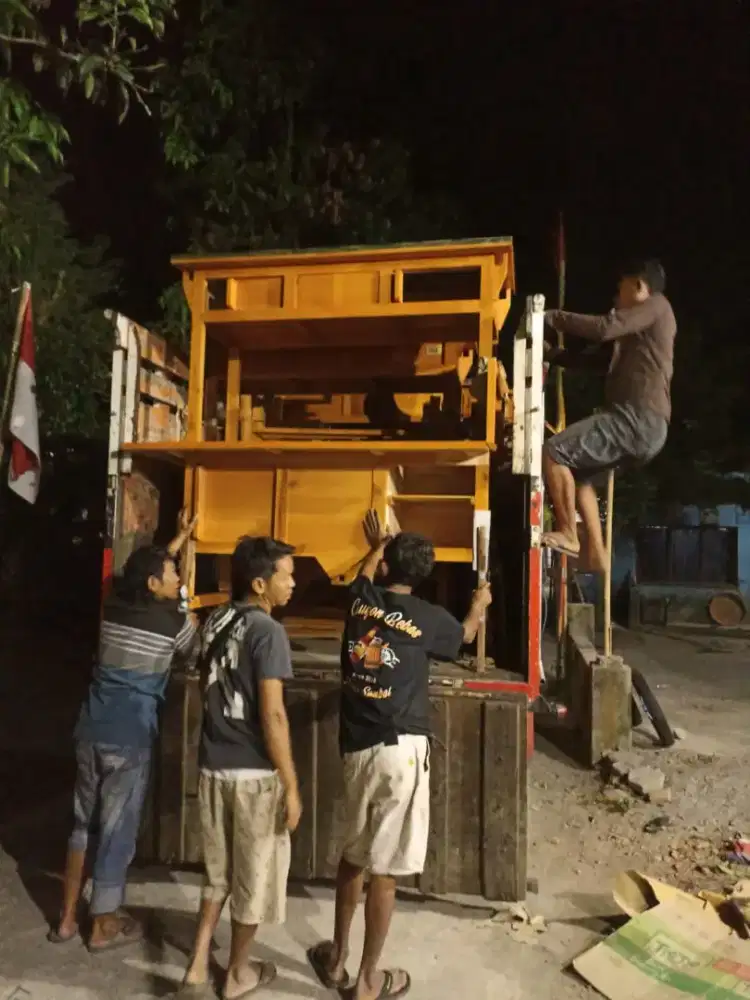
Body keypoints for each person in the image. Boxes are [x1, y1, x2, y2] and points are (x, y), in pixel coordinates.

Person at [308, 511, 491, 1000]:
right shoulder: (431, 619)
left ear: (387, 567)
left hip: (358, 749)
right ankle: (368, 982)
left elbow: (364, 577)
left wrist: (376, 545)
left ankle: (338, 960)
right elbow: (467, 636)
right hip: (401, 751)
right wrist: (479, 604)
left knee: (353, 859)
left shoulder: (360, 604)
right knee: (383, 870)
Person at [49, 513, 200, 950]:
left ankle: (64, 921)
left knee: (82, 826)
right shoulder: (174, 623)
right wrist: (186, 602)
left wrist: (178, 541)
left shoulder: (114, 603)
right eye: (172, 574)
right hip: (129, 737)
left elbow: (150, 574)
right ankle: (102, 926)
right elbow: (194, 652)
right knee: (117, 831)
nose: (176, 577)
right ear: (154, 585)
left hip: (90, 728)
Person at [176, 536, 300, 1000]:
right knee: (253, 880)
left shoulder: (218, 618)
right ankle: (238, 974)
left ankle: (195, 967)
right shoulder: (269, 632)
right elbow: (273, 715)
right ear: (260, 583)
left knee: (217, 875)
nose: (293, 582)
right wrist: (290, 785)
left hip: (212, 769)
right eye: (286, 574)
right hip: (252, 777)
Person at [542, 258, 676, 572]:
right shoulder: (641, 334)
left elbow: (604, 328)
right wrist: (554, 355)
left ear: (640, 286)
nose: (616, 299)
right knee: (581, 476)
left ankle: (568, 533)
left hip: (636, 420)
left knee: (554, 451)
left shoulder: (658, 306)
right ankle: (598, 555)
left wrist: (551, 317)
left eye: (621, 289)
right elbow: (596, 363)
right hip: (648, 430)